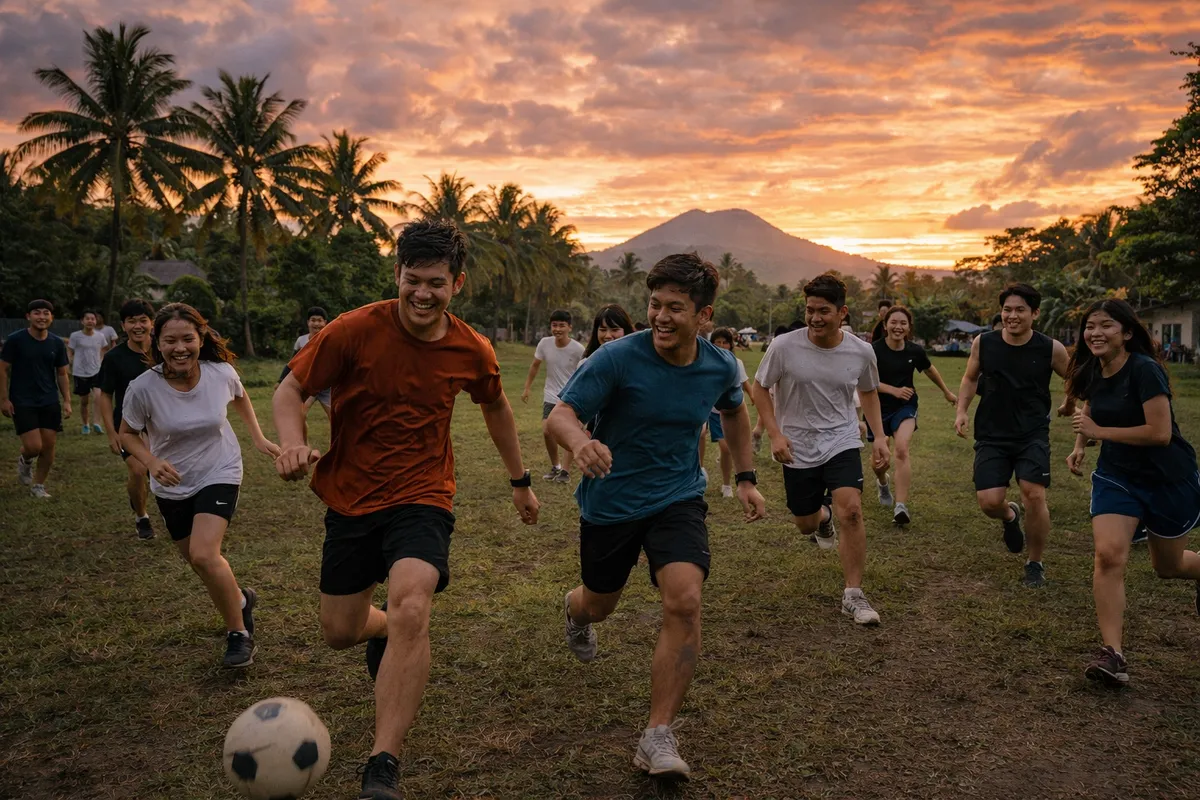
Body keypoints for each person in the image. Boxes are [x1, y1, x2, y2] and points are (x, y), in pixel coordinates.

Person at [273, 219, 540, 800]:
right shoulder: (352, 330)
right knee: (339, 631)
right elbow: (290, 390)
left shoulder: (471, 348)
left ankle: (383, 763)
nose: (422, 293)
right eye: (412, 280)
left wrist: (519, 480)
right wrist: (292, 442)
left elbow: (496, 407)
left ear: (457, 284)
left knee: (413, 605)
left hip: (424, 494)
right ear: (397, 274)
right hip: (350, 496)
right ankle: (382, 630)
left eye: (436, 283)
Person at [547, 252, 766, 780]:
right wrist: (580, 443)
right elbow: (561, 415)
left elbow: (735, 411)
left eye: (675, 308)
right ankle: (576, 612)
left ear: (704, 315)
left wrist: (745, 477)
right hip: (612, 501)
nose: (660, 317)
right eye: (654, 305)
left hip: (678, 497)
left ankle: (658, 734)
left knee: (685, 600)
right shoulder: (617, 357)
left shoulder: (719, 365)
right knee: (599, 603)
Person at [119, 303, 279, 668]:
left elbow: (240, 395)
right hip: (172, 483)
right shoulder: (142, 388)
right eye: (170, 340)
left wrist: (257, 437)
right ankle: (240, 600)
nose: (180, 348)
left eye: (188, 339)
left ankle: (238, 634)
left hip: (220, 469)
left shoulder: (220, 373)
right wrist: (151, 461)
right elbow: (126, 434)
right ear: (157, 343)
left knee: (205, 554)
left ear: (201, 338)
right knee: (198, 561)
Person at [1064, 299, 1200, 687]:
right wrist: (1080, 444)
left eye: (1106, 325)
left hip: (1168, 477)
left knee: (1168, 567)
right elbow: (1091, 406)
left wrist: (1099, 433)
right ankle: (1113, 654)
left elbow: (1159, 433)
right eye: (1090, 326)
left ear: (1126, 333)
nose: (1095, 333)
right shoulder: (1092, 368)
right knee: (1108, 555)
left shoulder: (1145, 370)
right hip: (1117, 476)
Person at [753, 273, 889, 626]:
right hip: (797, 445)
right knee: (805, 522)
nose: (814, 318)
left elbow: (868, 392)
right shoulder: (784, 346)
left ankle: (853, 595)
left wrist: (879, 437)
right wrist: (775, 434)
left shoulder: (861, 351)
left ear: (842, 312)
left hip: (842, 438)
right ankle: (822, 519)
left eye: (823, 311)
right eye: (810, 310)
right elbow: (760, 388)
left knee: (852, 511)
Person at [954, 283, 1074, 588]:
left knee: (1034, 494)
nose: (1012, 315)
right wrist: (962, 411)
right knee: (988, 502)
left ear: (1035, 313)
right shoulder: (984, 343)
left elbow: (1075, 379)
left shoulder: (1051, 348)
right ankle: (1009, 516)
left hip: (1032, 434)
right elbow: (970, 378)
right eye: (1007, 309)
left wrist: (1071, 403)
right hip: (992, 433)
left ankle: (1035, 563)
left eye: (1020, 309)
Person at [869, 305, 957, 525]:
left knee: (901, 449)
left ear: (909, 328)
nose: (898, 327)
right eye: (894, 322)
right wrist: (893, 390)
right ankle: (882, 483)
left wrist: (946, 392)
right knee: (879, 462)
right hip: (877, 408)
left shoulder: (914, 351)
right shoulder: (873, 350)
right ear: (885, 325)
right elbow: (865, 382)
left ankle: (901, 506)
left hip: (905, 406)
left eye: (903, 323)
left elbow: (929, 370)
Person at [97, 299, 157, 540]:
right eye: (132, 321)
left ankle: (168, 508)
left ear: (152, 323)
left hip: (162, 423)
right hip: (128, 426)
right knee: (139, 470)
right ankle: (142, 517)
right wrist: (111, 432)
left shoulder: (164, 350)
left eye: (143, 320)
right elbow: (105, 395)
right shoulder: (114, 357)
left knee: (160, 472)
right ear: (123, 326)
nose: (138, 326)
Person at [1, 299, 71, 498]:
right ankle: (25, 459)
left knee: (48, 446)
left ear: (52, 317)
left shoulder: (56, 343)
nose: (42, 317)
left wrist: (66, 400)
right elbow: (2, 369)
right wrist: (4, 399)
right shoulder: (15, 340)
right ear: (28, 316)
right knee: (34, 447)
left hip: (49, 399)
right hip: (22, 400)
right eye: (37, 313)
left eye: (46, 313)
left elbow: (62, 373)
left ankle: (38, 486)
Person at [521, 309, 585, 483]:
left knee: (568, 433)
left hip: (570, 397)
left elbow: (584, 372)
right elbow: (535, 365)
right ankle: (555, 466)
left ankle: (565, 471)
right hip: (550, 394)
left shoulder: (578, 349)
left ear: (570, 327)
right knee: (547, 431)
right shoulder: (544, 343)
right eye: (554, 325)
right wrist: (527, 388)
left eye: (561, 325)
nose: (557, 329)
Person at [700, 327, 754, 498]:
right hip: (708, 409)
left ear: (731, 345)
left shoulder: (736, 363)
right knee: (700, 435)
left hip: (725, 412)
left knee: (726, 449)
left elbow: (744, 383)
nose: (721, 346)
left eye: (725, 342)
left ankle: (726, 484)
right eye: (718, 342)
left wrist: (753, 396)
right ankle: (700, 470)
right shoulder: (704, 362)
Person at [278, 307, 332, 419]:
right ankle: (301, 432)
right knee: (300, 415)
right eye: (313, 320)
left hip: (327, 387)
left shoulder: (330, 340)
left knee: (335, 416)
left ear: (325, 322)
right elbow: (293, 362)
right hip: (308, 385)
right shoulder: (301, 341)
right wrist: (280, 380)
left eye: (319, 320)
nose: (316, 323)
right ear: (308, 322)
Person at [67, 311, 111, 435]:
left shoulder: (100, 336)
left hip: (96, 371)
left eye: (93, 319)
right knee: (84, 401)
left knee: (98, 397)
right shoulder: (75, 336)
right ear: (82, 321)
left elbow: (104, 349)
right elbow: (70, 350)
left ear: (96, 321)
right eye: (87, 319)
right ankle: (85, 424)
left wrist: (101, 360)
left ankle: (97, 423)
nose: (90, 321)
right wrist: (69, 362)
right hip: (80, 372)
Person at [752, 325, 790, 452]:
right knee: (772, 413)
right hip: (775, 388)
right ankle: (759, 432)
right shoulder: (779, 348)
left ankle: (758, 431)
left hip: (772, 388)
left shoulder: (776, 346)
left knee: (767, 411)